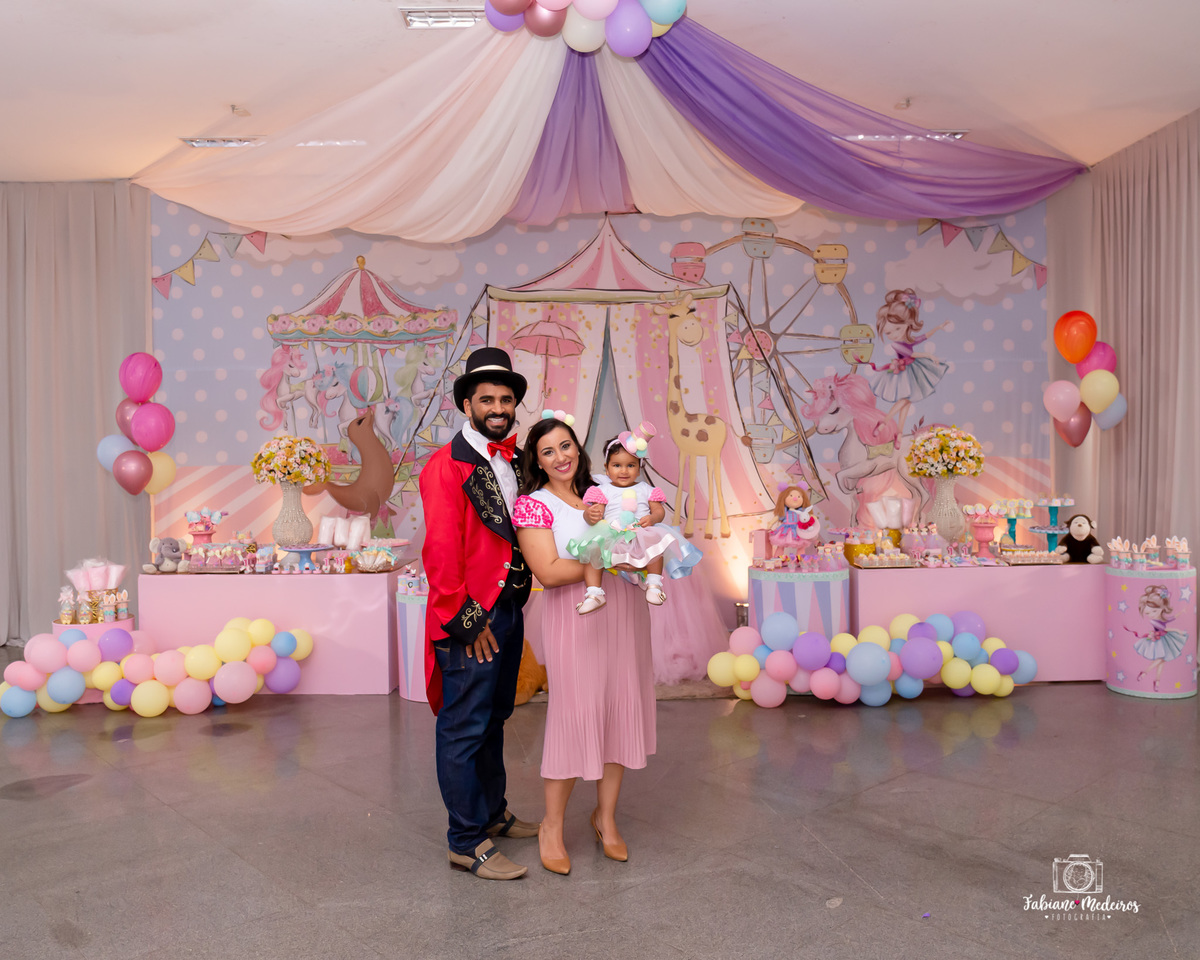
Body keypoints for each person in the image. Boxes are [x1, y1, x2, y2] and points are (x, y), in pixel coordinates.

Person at [512, 416, 656, 875]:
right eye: (548, 451)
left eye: (566, 445)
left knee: (617, 709)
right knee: (574, 716)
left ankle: (605, 818)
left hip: (625, 614)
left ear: (579, 446)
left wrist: (645, 543)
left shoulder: (605, 487)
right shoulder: (533, 506)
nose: (561, 457)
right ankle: (551, 826)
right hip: (576, 617)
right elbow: (549, 571)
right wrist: (615, 557)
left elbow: (646, 527)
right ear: (537, 461)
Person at [419, 347, 538, 881]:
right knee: (464, 727)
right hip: (471, 620)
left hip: (508, 609)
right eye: (486, 399)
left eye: (506, 400)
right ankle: (466, 842)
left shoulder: (515, 460)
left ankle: (492, 813)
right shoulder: (445, 465)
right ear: (467, 404)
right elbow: (441, 553)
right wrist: (468, 622)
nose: (497, 408)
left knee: (494, 718)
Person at [566, 421, 701, 614]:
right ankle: (594, 593)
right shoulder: (603, 490)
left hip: (640, 532)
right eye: (617, 465)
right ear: (607, 468)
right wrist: (590, 515)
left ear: (639, 468)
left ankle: (654, 584)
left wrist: (653, 519)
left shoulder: (646, 489)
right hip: (612, 533)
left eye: (630, 465)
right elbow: (595, 514)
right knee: (593, 552)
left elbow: (659, 511)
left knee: (656, 546)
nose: (623, 471)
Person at [867, 288, 949, 405]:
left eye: (898, 328)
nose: (894, 334)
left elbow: (924, 337)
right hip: (901, 372)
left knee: (908, 400)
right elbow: (911, 354)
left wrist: (938, 328)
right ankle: (888, 416)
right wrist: (929, 355)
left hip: (912, 370)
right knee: (904, 399)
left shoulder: (907, 340)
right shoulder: (896, 344)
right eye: (888, 333)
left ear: (907, 324)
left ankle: (899, 419)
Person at [767, 482, 821, 556]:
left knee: (801, 545)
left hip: (798, 530)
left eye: (799, 496)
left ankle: (800, 559)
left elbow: (808, 516)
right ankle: (777, 559)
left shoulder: (802, 511)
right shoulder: (784, 511)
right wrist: (770, 523)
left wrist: (813, 517)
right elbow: (777, 517)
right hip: (785, 530)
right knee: (781, 545)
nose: (795, 498)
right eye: (791, 496)